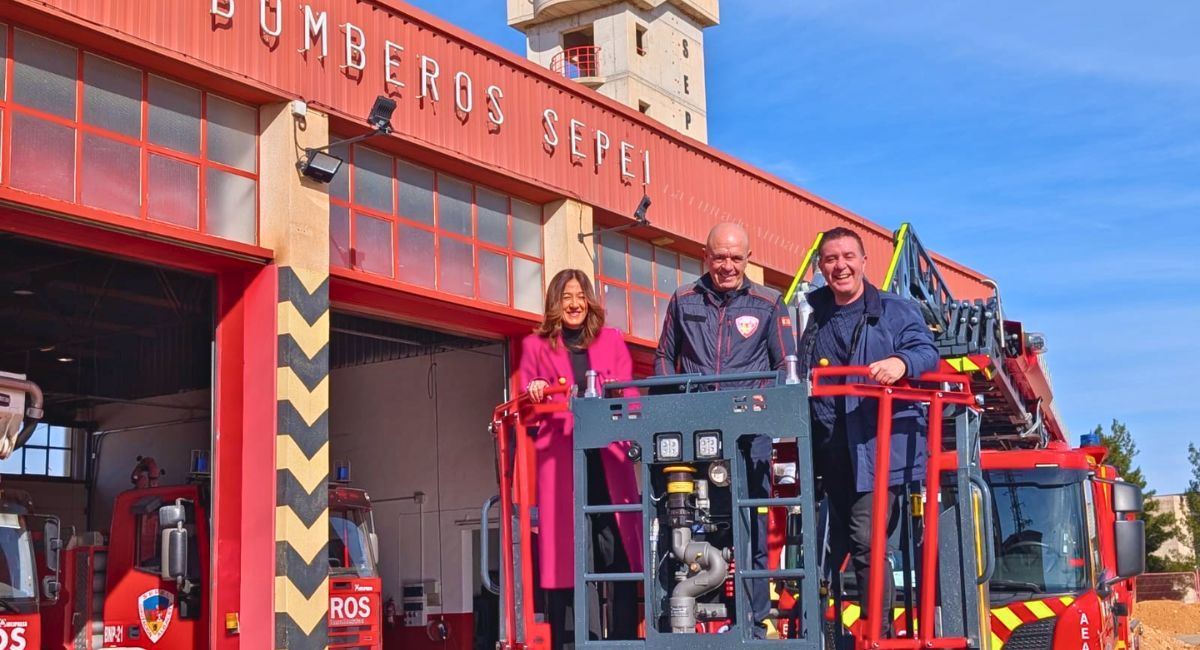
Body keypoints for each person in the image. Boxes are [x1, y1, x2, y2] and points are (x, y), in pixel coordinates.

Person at [653, 222, 795, 638]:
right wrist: (672, 407)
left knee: (749, 523)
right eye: (719, 257)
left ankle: (754, 621)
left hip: (749, 437)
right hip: (692, 434)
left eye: (736, 257)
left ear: (748, 258)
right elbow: (664, 356)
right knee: (682, 518)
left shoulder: (769, 303)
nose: (727, 265)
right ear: (705, 256)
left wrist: (765, 413)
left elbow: (786, 367)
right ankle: (676, 615)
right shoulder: (682, 299)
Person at [798, 227, 938, 637]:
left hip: (875, 449)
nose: (839, 266)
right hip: (827, 448)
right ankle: (822, 635)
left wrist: (900, 363)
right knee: (821, 544)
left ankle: (876, 636)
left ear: (863, 261)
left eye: (847, 257)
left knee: (868, 541)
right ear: (821, 267)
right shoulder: (815, 315)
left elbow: (925, 351)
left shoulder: (895, 309)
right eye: (830, 259)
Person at [519, 268, 643, 649]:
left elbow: (630, 396)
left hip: (610, 462)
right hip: (562, 465)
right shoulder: (535, 346)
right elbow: (525, 408)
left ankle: (621, 640)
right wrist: (535, 390)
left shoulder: (611, 340)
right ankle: (575, 641)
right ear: (554, 304)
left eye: (580, 296)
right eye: (566, 297)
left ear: (590, 301)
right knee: (571, 556)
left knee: (617, 552)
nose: (574, 304)